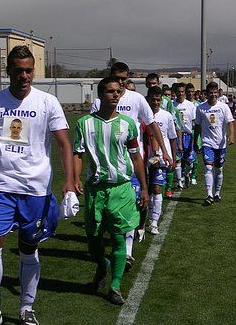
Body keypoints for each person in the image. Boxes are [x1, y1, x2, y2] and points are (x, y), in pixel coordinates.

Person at [0, 45, 74, 325]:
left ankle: (26, 307)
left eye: (28, 70)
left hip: (35, 189)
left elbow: (63, 143)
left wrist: (70, 181)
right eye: (18, 70)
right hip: (1, 186)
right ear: (9, 71)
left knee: (28, 248)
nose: (24, 76)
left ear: (33, 71)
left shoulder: (48, 103)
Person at [73, 76, 149, 305]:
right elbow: (78, 153)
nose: (115, 95)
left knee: (118, 239)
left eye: (118, 91)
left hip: (122, 189)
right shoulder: (84, 123)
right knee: (94, 242)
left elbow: (136, 157)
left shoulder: (128, 124)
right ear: (100, 95)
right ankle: (103, 265)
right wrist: (74, 178)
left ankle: (115, 285)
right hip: (96, 190)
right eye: (110, 91)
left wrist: (144, 188)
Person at [90, 63, 172, 270]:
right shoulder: (100, 101)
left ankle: (127, 252)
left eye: (124, 79)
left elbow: (152, 124)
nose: (120, 82)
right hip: (106, 166)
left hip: (132, 162)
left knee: (132, 205)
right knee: (105, 216)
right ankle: (115, 247)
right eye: (117, 77)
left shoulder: (136, 100)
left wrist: (165, 152)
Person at [194, 82, 235, 206]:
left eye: (215, 92)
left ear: (218, 93)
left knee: (219, 169)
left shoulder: (224, 107)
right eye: (210, 93)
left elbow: (230, 122)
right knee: (208, 167)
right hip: (207, 142)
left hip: (220, 144)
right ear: (206, 94)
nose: (213, 95)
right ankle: (209, 195)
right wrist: (196, 140)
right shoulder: (201, 108)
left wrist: (231, 135)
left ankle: (217, 193)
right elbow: (197, 125)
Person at [145, 86, 177, 234]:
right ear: (148, 99)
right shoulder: (141, 116)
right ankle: (145, 217)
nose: (156, 102)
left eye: (159, 100)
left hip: (161, 160)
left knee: (157, 189)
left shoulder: (167, 116)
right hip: (144, 158)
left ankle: (154, 222)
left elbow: (172, 139)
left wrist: (173, 157)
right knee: (147, 190)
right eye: (153, 99)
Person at [173, 83, 197, 188]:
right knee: (177, 159)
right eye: (178, 92)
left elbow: (194, 123)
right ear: (175, 93)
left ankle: (187, 174)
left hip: (188, 135)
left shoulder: (190, 105)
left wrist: (195, 138)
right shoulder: (172, 105)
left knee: (189, 161)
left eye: (182, 92)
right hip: (176, 135)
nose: (180, 94)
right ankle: (179, 182)